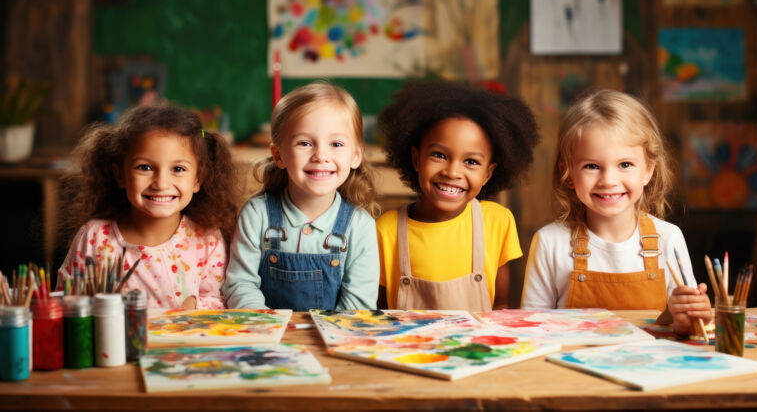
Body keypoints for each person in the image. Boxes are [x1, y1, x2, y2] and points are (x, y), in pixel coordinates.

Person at [521, 89, 712, 335]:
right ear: (568, 173)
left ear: (648, 170)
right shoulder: (550, 242)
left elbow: (684, 326)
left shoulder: (669, 238)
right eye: (592, 166)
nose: (609, 180)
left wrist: (689, 319)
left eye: (625, 164)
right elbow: (531, 329)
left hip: (650, 369)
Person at [376, 81, 540, 311]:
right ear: (416, 159)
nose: (452, 172)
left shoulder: (497, 222)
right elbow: (377, 315)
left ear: (487, 173)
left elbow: (501, 305)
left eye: (471, 162)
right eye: (439, 155)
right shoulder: (387, 229)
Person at [57, 105, 239, 309]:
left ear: (198, 179)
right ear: (120, 175)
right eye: (145, 167)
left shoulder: (207, 238)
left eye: (178, 169)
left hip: (182, 340)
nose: (161, 183)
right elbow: (67, 302)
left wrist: (194, 306)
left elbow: (219, 300)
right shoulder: (94, 237)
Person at [223, 81, 380, 311]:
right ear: (279, 156)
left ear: (355, 155)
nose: (321, 156)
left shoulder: (359, 226)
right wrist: (265, 322)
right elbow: (240, 284)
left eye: (336, 144)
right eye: (305, 143)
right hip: (267, 336)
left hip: (334, 339)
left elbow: (358, 305)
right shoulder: (256, 214)